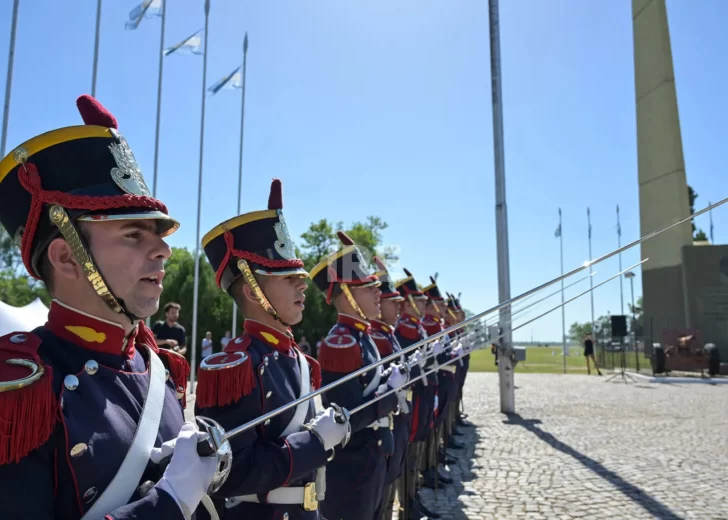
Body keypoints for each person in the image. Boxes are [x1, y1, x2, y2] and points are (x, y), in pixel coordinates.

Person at [0, 94, 217, 519]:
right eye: (134, 234)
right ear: (67, 257)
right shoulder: (20, 390)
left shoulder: (157, 366)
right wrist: (169, 502)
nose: (164, 251)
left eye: (159, 235)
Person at [194, 179, 351, 520]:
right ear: (253, 291)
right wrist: (314, 442)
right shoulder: (236, 367)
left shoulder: (299, 360)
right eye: (287, 278)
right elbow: (229, 473)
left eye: (299, 276)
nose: (302, 284)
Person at [310, 231, 408, 520]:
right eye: (368, 288)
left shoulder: (362, 337)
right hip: (353, 464)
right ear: (347, 295)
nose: (378, 293)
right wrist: (389, 393)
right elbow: (347, 414)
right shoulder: (341, 342)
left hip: (372, 457)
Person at [369, 257, 420, 520]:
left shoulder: (388, 334)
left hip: (400, 414)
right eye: (393, 302)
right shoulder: (377, 338)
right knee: (384, 490)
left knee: (394, 476)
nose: (399, 307)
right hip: (387, 420)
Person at [394, 269, 440, 520]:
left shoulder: (416, 327)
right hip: (414, 394)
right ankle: (406, 507)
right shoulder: (404, 328)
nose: (423, 304)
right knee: (410, 449)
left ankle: (413, 499)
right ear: (408, 302)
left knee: (419, 442)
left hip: (424, 390)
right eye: (419, 300)